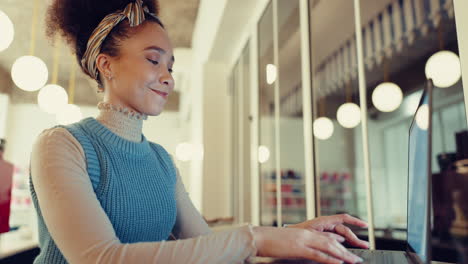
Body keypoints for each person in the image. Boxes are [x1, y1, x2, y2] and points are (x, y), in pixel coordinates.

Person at [29, 0, 370, 263]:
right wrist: (256, 238)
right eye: (153, 60)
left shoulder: (161, 160)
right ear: (106, 65)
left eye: (170, 66)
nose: (168, 78)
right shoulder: (61, 145)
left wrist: (289, 235)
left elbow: (203, 242)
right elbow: (99, 258)